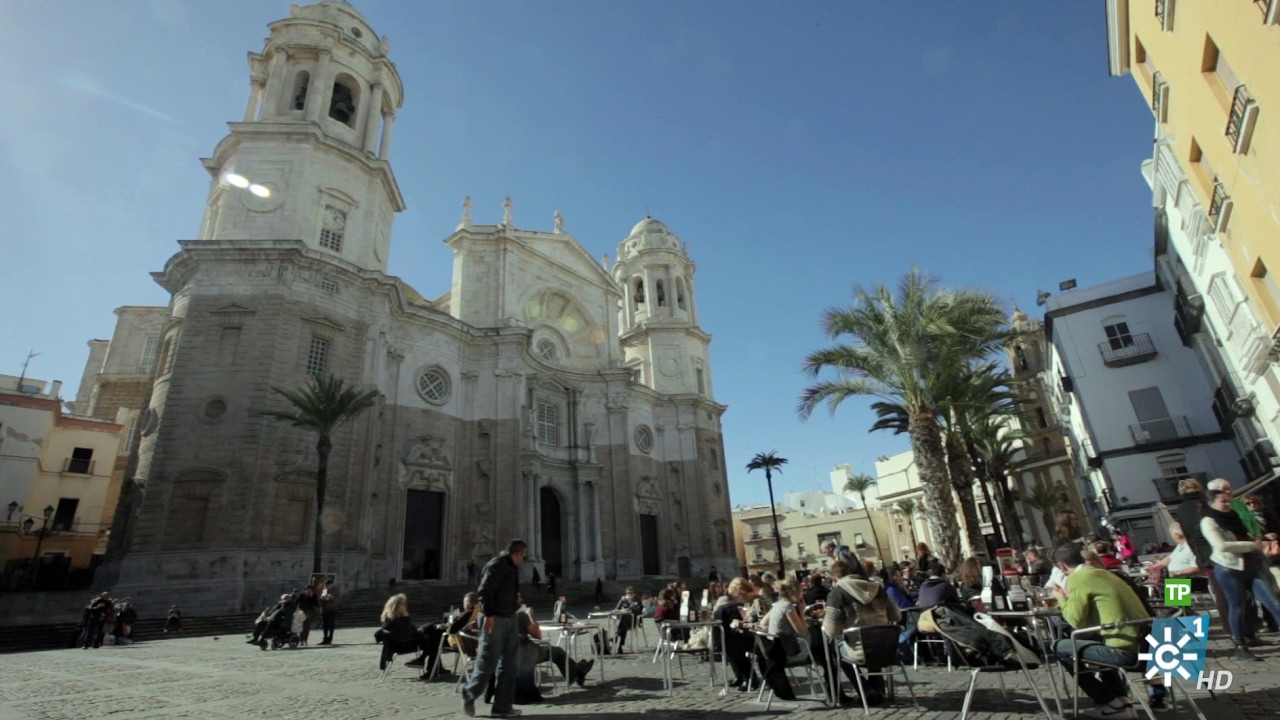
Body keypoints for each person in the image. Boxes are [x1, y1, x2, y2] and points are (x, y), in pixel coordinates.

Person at [1051, 544, 1157, 719]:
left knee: (1058, 647)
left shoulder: (1077, 578)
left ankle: (1108, 701)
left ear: (1062, 566)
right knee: (1097, 641)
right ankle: (1121, 701)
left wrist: (1061, 598)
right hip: (1149, 644)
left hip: (1127, 650)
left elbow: (1075, 620)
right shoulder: (1105, 573)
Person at [1200, 482, 1280, 661]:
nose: (1228, 505)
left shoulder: (1233, 516)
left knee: (1273, 602)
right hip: (1227, 568)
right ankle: (1240, 646)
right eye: (1223, 502)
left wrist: (1260, 542)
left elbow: (1244, 534)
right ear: (1212, 503)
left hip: (1249, 565)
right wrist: (1253, 545)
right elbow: (1220, 545)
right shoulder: (1208, 521)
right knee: (1237, 607)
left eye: (1229, 501)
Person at [462, 538, 526, 718]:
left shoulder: (511, 566)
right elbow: (484, 591)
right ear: (517, 554)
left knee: (509, 665)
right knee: (487, 662)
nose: (523, 560)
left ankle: (502, 707)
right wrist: (489, 615)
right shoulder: (497, 565)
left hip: (509, 617)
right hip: (495, 619)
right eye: (523, 556)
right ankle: (469, 694)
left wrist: (514, 599)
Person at [822, 560, 901, 705]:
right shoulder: (877, 588)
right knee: (873, 636)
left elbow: (831, 631)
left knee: (837, 651)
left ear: (834, 578)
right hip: (886, 649)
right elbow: (897, 616)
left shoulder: (837, 595)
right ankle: (877, 689)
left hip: (859, 651)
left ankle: (866, 690)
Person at [1174, 476, 1235, 637]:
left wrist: (1178, 572)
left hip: (1194, 570)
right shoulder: (1204, 505)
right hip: (1198, 564)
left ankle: (1182, 618)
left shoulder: (1182, 512)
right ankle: (1181, 618)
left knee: (1175, 585)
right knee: (1173, 587)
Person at [377, 594, 435, 673]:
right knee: (433, 639)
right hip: (404, 645)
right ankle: (427, 664)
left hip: (398, 643)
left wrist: (419, 629)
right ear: (396, 605)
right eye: (402, 604)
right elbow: (407, 633)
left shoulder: (388, 617)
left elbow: (408, 629)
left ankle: (426, 662)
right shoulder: (396, 619)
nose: (405, 606)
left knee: (431, 631)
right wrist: (406, 615)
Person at [612, 587, 643, 652]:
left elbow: (639, 610)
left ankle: (616, 637)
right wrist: (621, 603)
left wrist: (630, 607)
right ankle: (619, 646)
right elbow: (616, 610)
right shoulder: (623, 600)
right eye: (628, 593)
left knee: (623, 623)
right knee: (623, 624)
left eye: (631, 593)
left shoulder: (637, 600)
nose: (629, 594)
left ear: (634, 594)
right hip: (624, 622)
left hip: (633, 621)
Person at [320, 578, 340, 645]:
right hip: (325, 609)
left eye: (329, 585)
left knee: (331, 624)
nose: (327, 586)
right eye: (326, 585)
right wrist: (322, 598)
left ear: (332, 584)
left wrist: (332, 598)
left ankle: (330, 638)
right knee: (325, 625)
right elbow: (321, 598)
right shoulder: (324, 590)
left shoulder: (335, 590)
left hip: (332, 609)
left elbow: (338, 599)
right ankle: (325, 638)